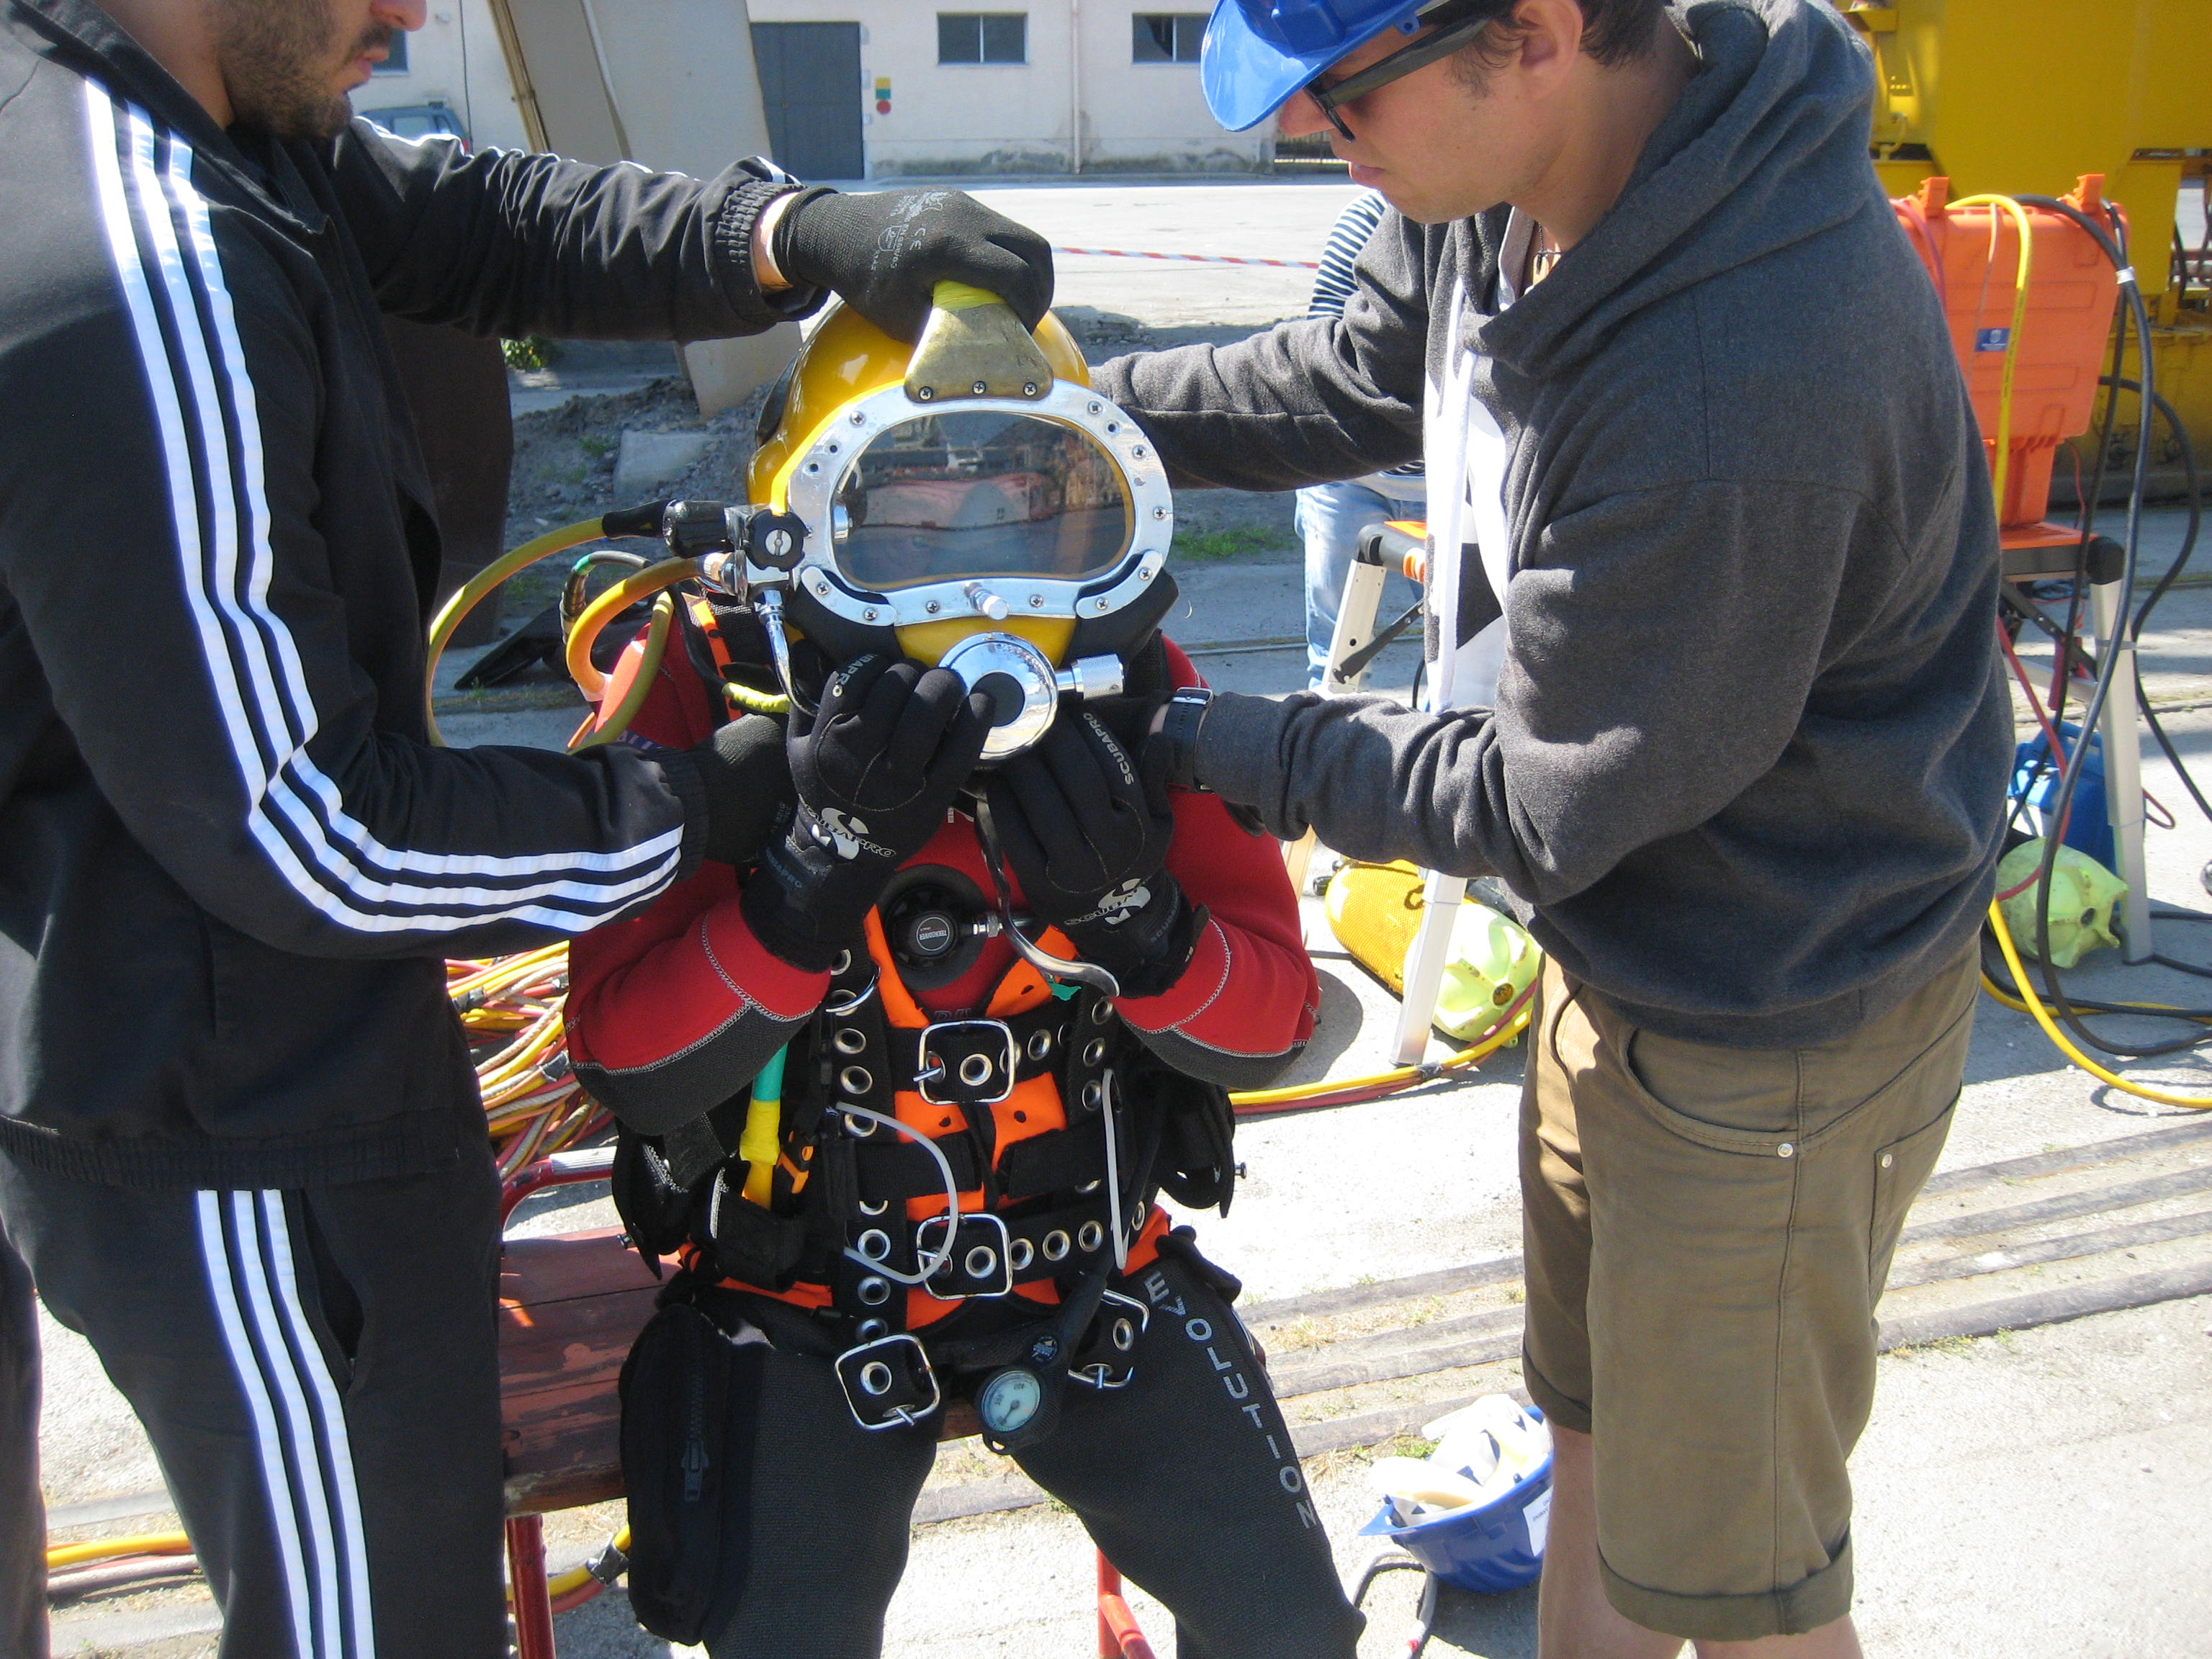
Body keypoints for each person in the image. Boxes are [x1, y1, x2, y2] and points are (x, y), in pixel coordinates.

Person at [0, 1, 1053, 1654]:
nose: (414, 13)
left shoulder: (172, 110)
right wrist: (725, 799)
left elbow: (470, 218)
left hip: (217, 1043)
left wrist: (789, 233)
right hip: (243, 1121)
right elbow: (310, 831)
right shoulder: (143, 270)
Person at [1096, 1, 2011, 1654]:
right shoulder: (1509, 182)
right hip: (1631, 946)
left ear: (1532, 33)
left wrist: (1192, 744)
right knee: (1587, 1447)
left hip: (1771, 1024)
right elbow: (1354, 372)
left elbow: (1541, 796)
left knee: (1741, 1592)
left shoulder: (1734, 375)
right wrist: (1077, 416)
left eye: (1340, 95)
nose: (1312, 137)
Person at [561, 302, 1362, 1659]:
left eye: (1020, 514)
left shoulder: (1132, 678)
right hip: (799, 1292)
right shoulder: (699, 680)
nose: (979, 587)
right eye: (914, 523)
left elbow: (1275, 1017)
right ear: (795, 524)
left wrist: (1139, 925)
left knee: (1289, 1632)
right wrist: (806, 879)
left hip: (1095, 1270)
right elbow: (626, 1060)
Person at [1293, 189, 1425, 688]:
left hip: (1453, 484)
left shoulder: (1483, 215)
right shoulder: (1370, 215)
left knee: (1461, 652)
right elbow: (1323, 337)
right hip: (1348, 475)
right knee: (1333, 654)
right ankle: (1329, 726)